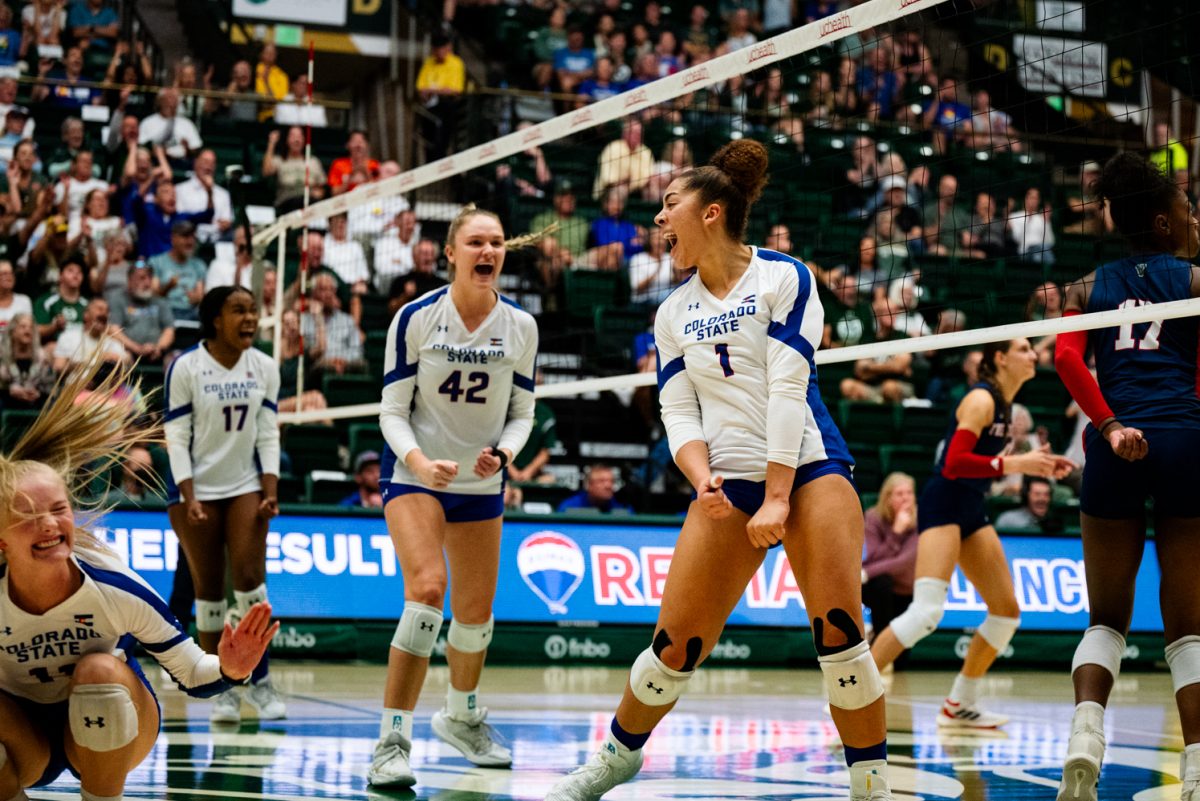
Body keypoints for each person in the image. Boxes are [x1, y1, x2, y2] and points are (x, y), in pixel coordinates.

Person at [547, 140, 896, 801]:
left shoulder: (785, 277)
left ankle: (870, 785)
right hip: (729, 481)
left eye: (667, 205)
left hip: (809, 466)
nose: (657, 220)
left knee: (841, 638)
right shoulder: (671, 310)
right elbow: (677, 410)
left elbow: (789, 390)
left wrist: (777, 495)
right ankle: (617, 759)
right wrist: (701, 476)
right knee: (672, 645)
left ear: (710, 213)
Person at [0, 353, 278, 801]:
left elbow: (192, 673)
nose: (50, 525)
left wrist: (231, 668)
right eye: (30, 516)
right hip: (24, 738)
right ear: (1, 543)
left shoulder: (113, 587)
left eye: (59, 510)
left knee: (97, 671)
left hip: (114, 726)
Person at [369, 205, 538, 788]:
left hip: (481, 482)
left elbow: (522, 413)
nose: (487, 252)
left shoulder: (521, 326)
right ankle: (391, 742)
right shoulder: (415, 318)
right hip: (416, 475)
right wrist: (418, 461)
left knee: (474, 618)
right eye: (475, 242)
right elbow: (392, 411)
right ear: (451, 253)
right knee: (426, 595)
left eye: (496, 242)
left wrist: (507, 455)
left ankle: (461, 717)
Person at [1052, 152, 1200, 801]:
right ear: (1164, 222)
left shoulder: (1085, 286)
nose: (1196, 220)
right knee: (1190, 625)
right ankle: (1197, 769)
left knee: (1106, 617)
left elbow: (1063, 357)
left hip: (1115, 446)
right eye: (1190, 211)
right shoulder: (1195, 279)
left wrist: (1111, 425)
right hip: (1185, 441)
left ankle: (1086, 738)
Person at [869, 339, 1075, 729]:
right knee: (927, 612)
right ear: (1000, 358)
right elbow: (953, 464)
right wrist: (1018, 462)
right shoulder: (981, 400)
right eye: (1024, 349)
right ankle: (853, 692)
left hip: (970, 509)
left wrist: (1041, 464)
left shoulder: (1006, 405)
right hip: (944, 504)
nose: (1034, 355)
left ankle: (960, 704)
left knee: (1006, 612)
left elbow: (984, 464)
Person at [163, 285, 287, 726]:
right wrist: (189, 495)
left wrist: (270, 488)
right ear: (216, 319)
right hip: (196, 488)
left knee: (252, 583)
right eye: (239, 310)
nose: (250, 317)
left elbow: (269, 432)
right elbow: (175, 437)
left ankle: (261, 681)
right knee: (209, 593)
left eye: (253, 310)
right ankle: (223, 690)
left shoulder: (266, 366)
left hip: (245, 485)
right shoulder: (186, 368)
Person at [862, 473, 918, 646]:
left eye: (909, 493)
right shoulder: (873, 517)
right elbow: (872, 556)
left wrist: (866, 573)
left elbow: (904, 562)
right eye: (900, 494)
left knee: (900, 661)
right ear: (887, 498)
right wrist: (896, 533)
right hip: (880, 589)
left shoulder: (921, 520)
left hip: (908, 590)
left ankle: (879, 643)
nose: (906, 498)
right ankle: (876, 640)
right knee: (882, 583)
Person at [0, 312, 57, 410]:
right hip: (6, 404)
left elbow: (50, 387)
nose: (27, 331)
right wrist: (9, 390)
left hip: (35, 405)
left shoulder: (42, 357)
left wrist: (39, 393)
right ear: (13, 332)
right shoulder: (2, 355)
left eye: (31, 328)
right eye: (23, 327)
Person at [556, 464, 632, 514]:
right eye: (601, 481)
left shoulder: (621, 507)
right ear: (589, 485)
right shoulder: (570, 506)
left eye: (611, 481)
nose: (608, 486)